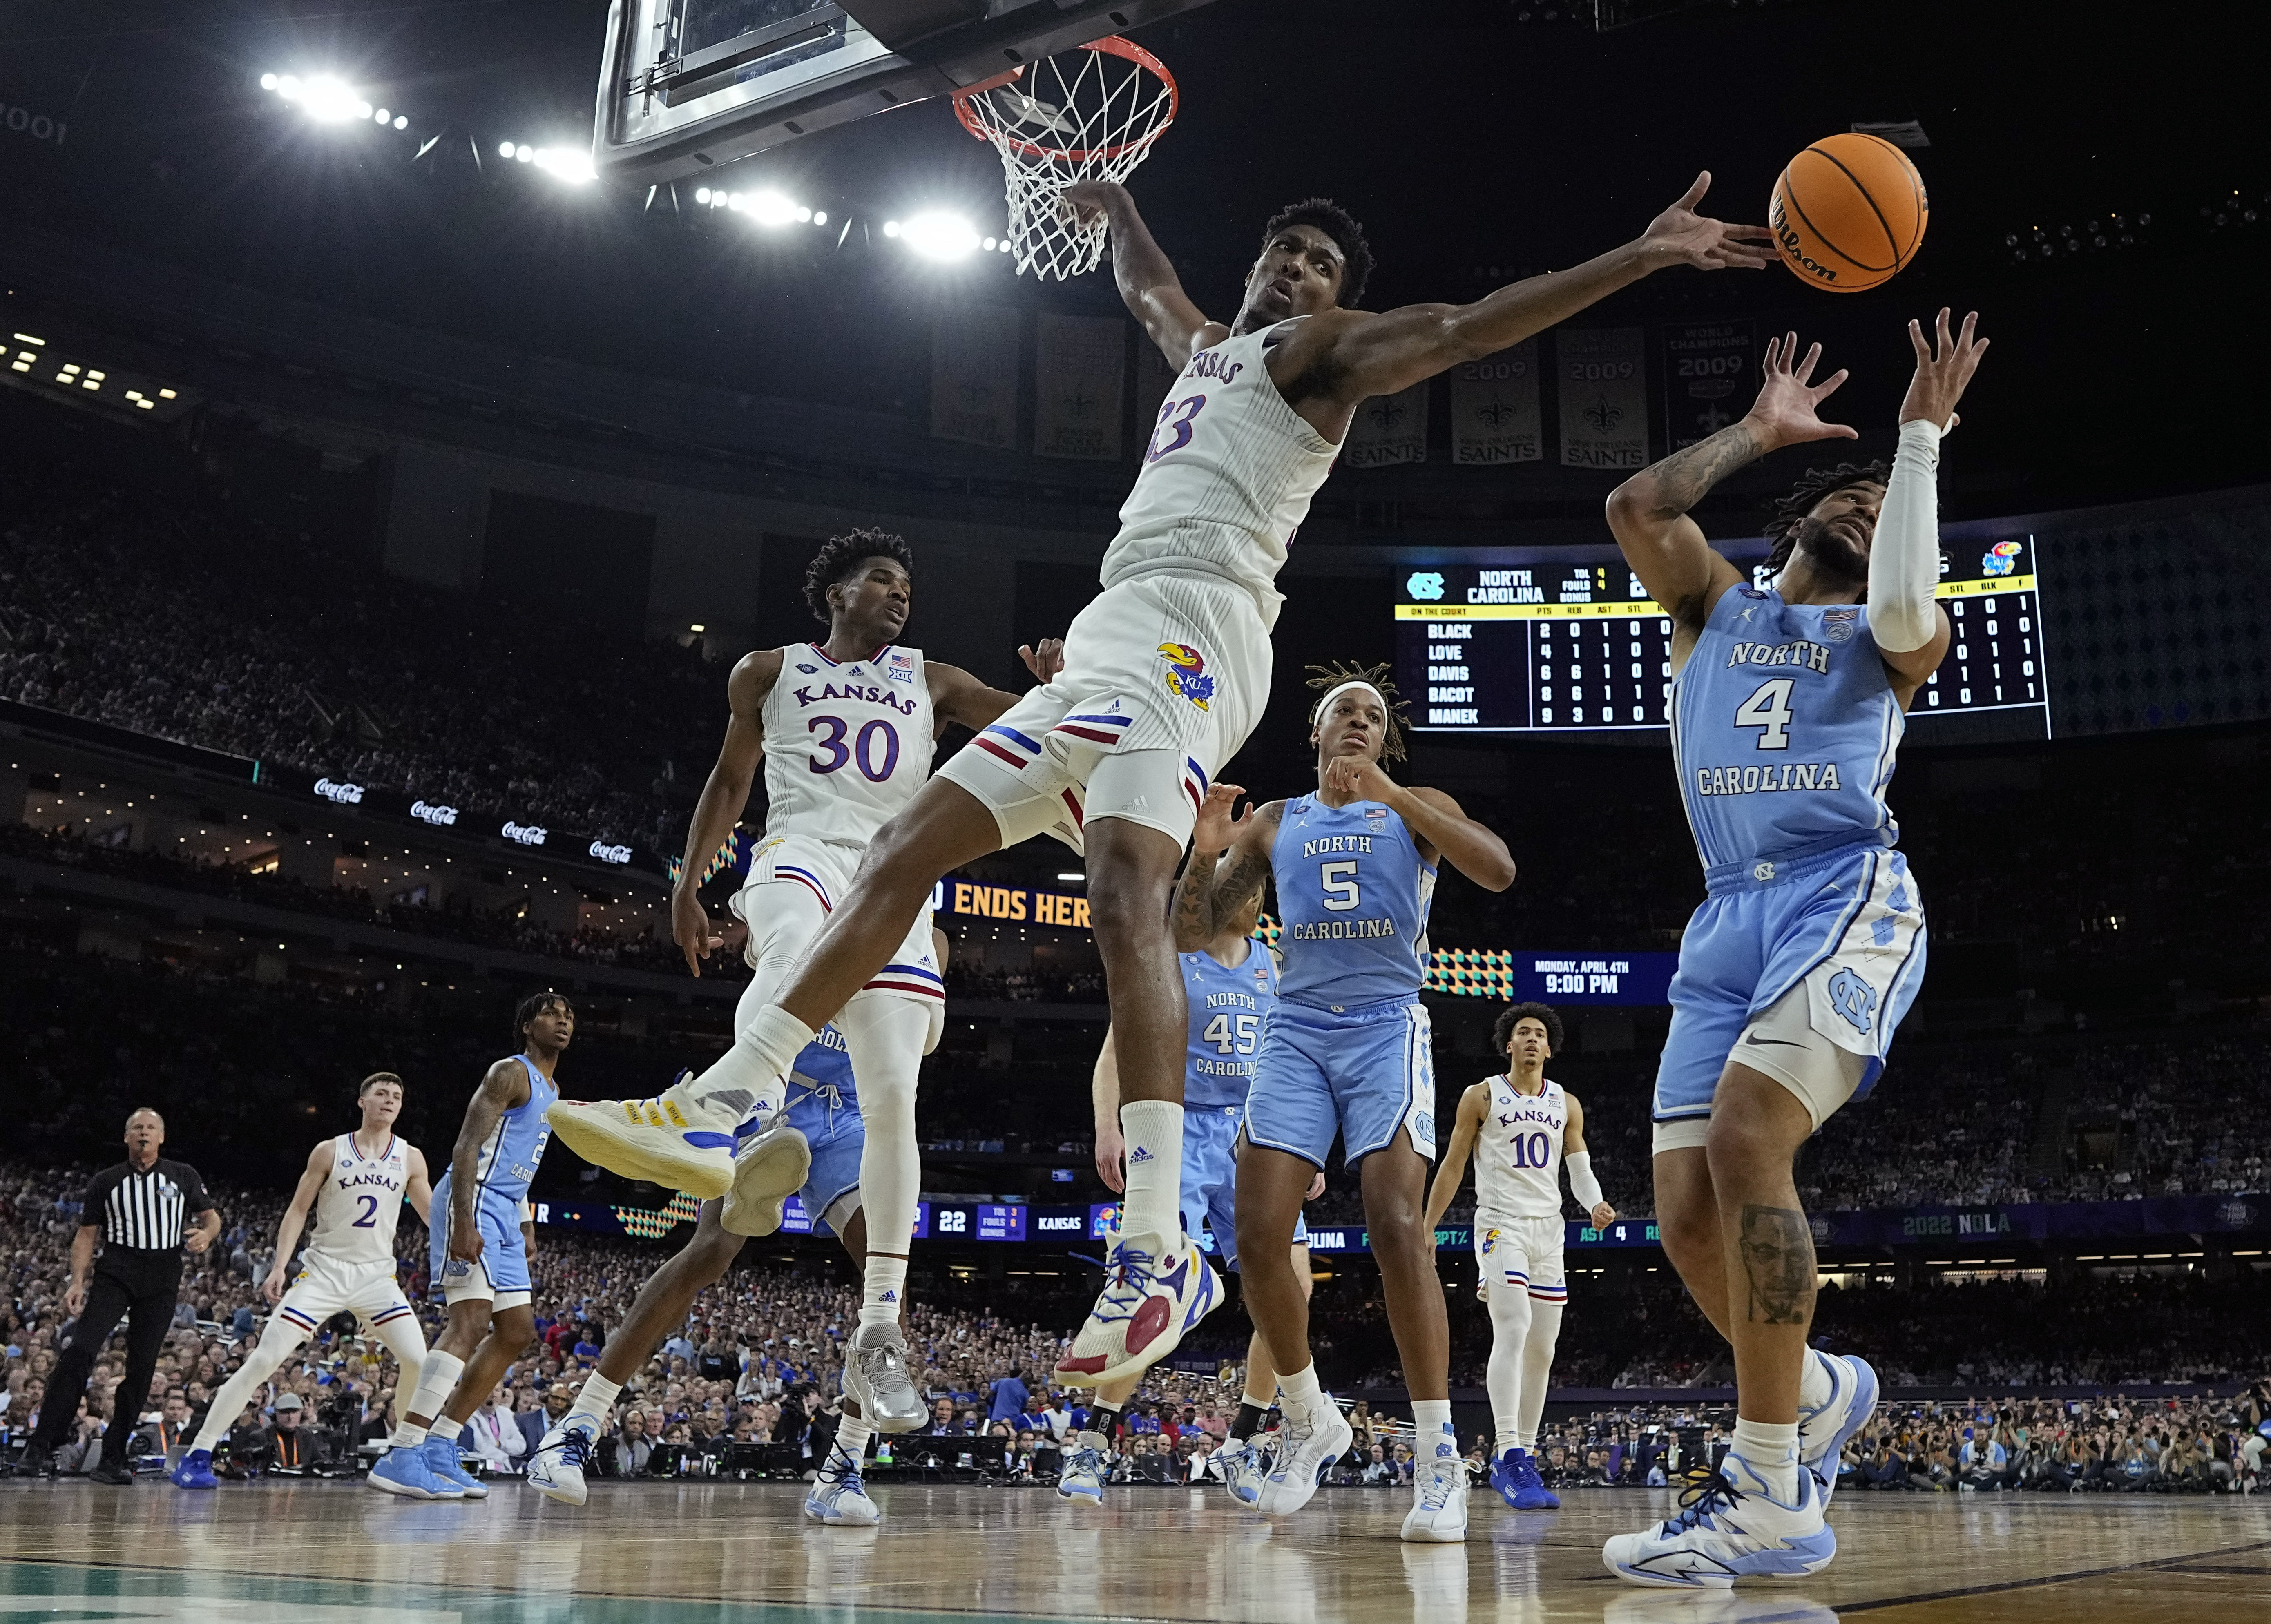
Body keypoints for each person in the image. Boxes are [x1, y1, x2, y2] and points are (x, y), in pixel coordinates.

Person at [543, 175, 1773, 1388]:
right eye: (1282, 252)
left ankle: (1152, 1246)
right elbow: (1146, 291)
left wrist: (1641, 252)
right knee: (899, 848)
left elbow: (1465, 328)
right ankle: (732, 1092)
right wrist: (1121, 206)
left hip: (1203, 625)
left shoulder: (1315, 356)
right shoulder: (1204, 351)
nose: (1294, 274)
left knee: (1127, 890)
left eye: (1318, 266)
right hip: (1113, 625)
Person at [1598, 311, 1990, 1588]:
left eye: (1889, 508)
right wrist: (1755, 432)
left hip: (1842, 891)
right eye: (1851, 493)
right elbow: (1635, 505)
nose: (1867, 511)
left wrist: (1916, 442)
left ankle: (1767, 1486)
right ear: (1803, 510)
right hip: (1723, 916)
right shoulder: (1712, 607)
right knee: (1680, 1219)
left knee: (1745, 1134)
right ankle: (1816, 1386)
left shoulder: (1892, 640)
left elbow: (1905, 600)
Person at [547, 529, 1062, 1435]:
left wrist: (1063, 689)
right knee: (787, 943)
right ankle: (729, 1114)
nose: (900, 595)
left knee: (896, 1090)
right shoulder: (766, 668)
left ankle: (878, 1333)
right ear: (834, 593)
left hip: (896, 870)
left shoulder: (932, 678)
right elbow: (730, 778)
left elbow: (1022, 722)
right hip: (803, 846)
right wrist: (688, 880)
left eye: (908, 583)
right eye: (881, 581)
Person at [1174, 664, 1515, 1542]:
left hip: (1384, 1024)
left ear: (1383, 737)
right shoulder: (1279, 818)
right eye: (1342, 713)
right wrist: (1208, 846)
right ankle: (1305, 1411)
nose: (1358, 722)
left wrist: (1395, 792)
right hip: (1294, 1026)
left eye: (1372, 714)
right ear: (1317, 735)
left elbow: (1499, 868)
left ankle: (1440, 1456)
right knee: (1257, 1232)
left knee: (1396, 1224)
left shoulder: (1413, 803)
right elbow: (1189, 933)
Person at [527, 1017, 912, 1530]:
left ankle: (844, 1466)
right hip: (769, 1083)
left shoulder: (927, 943)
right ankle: (578, 1424)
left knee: (887, 1280)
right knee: (711, 1251)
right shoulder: (815, 933)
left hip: (850, 1109)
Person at [1058, 880, 1322, 1506]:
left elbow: (1299, 1061)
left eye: (1258, 886)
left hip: (1257, 1135)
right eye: (1239, 881)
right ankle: (1093, 1444)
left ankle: (1244, 1439)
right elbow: (1114, 1054)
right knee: (1151, 1283)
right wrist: (1108, 1126)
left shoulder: (1278, 965)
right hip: (1180, 1128)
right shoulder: (1169, 957)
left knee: (1294, 1287)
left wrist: (1304, 1140)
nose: (1251, 895)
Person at [173, 1071, 434, 1490]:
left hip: (376, 1277)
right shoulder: (330, 1150)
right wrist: (280, 1266)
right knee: (263, 1360)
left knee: (419, 1360)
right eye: (381, 1093)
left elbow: (432, 1216)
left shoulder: (412, 1157)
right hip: (325, 1271)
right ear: (362, 1102)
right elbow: (297, 1210)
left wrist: (468, 1237)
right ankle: (199, 1452)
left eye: (397, 1096)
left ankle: (404, 1453)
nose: (390, 1100)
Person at [367, 992, 571, 1500]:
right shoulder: (510, 1071)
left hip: (507, 1206)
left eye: (569, 1015)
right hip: (473, 1197)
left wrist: (525, 1222)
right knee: (470, 1322)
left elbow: (521, 1157)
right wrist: (463, 1220)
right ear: (527, 1025)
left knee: (518, 1331)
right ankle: (404, 1449)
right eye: (551, 1013)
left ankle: (441, 1442)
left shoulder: (553, 1086)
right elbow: (467, 1147)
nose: (563, 1020)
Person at [1423, 1002, 1617, 1510]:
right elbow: (1453, 1162)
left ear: (1550, 1048)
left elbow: (1579, 1165)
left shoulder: (1566, 1102)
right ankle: (1506, 1450)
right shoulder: (1482, 1095)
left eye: (1539, 1035)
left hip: (1548, 1232)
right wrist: (1429, 1224)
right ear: (1507, 1044)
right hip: (1499, 1225)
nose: (1531, 1040)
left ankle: (1524, 1457)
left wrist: (1594, 1202)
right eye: (1522, 1033)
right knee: (1513, 1326)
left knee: (1544, 1348)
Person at [8, 1108, 220, 1483]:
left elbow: (211, 1216)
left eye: (151, 1128)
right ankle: (41, 1444)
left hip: (161, 1276)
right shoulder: (107, 1181)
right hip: (116, 1270)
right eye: (137, 1127)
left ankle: (112, 1457)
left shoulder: (183, 1174)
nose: (144, 1133)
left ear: (162, 1137)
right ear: (126, 1137)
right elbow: (87, 1235)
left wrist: (207, 1235)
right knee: (79, 1350)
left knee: (141, 1368)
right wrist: (76, 1282)